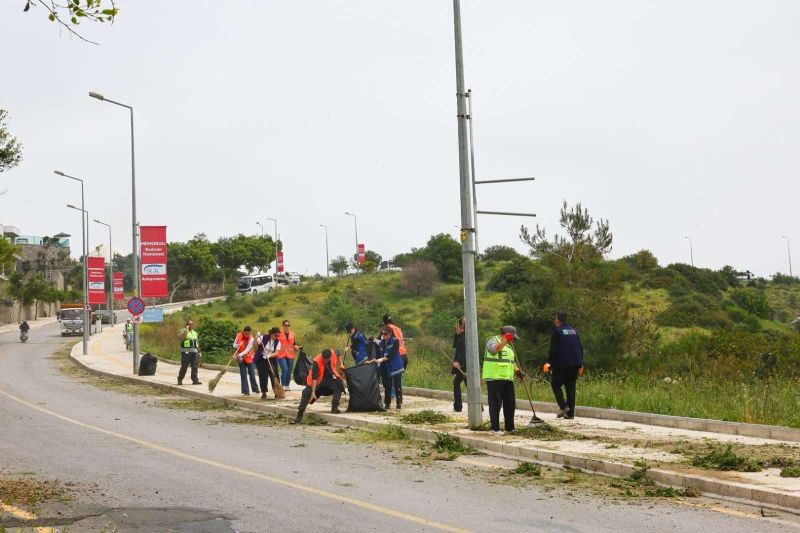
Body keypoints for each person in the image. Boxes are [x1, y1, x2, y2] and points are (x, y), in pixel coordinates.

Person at [483, 325, 523, 435]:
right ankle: (494, 428)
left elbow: (511, 361)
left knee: (510, 404)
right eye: (512, 337)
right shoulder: (492, 340)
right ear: (506, 334)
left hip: (507, 378)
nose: (513, 340)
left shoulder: (509, 347)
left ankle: (509, 428)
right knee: (495, 404)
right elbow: (493, 351)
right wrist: (505, 340)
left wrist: (517, 370)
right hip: (494, 378)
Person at [544, 312, 585, 420]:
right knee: (570, 388)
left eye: (555, 318)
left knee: (555, 384)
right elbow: (580, 347)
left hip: (561, 365)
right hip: (575, 364)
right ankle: (570, 414)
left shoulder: (557, 332)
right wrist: (581, 364)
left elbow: (553, 350)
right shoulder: (574, 331)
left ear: (557, 320)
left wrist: (549, 363)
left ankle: (563, 406)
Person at [291, 348, 345, 423]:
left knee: (339, 385)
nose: (325, 361)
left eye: (327, 360)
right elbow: (314, 378)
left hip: (329, 378)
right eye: (323, 359)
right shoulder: (316, 361)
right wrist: (313, 392)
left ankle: (334, 407)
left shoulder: (333, 353)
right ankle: (299, 415)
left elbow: (338, 353)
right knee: (306, 392)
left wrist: (341, 364)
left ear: (330, 357)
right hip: (317, 380)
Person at [365, 327, 405, 410]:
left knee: (397, 385)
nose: (383, 336)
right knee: (387, 385)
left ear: (390, 334)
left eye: (385, 334)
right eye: (382, 334)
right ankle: (387, 403)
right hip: (386, 367)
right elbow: (379, 351)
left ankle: (399, 403)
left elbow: (391, 354)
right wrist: (372, 361)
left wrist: (381, 360)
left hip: (395, 367)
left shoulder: (395, 341)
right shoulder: (382, 342)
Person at [232, 326, 259, 396]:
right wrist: (238, 345)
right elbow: (234, 345)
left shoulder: (251, 339)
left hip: (249, 357)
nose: (247, 335)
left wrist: (238, 356)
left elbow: (247, 350)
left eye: (248, 334)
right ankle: (245, 391)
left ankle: (255, 389)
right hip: (241, 359)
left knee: (252, 374)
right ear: (243, 332)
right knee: (243, 374)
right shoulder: (238, 336)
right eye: (245, 334)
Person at [255, 327, 281, 399]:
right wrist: (257, 337)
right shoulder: (263, 337)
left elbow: (277, 353)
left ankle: (277, 391)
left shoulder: (278, 342)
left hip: (271, 358)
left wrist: (269, 355)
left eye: (278, 336)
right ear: (272, 333)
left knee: (275, 375)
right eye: (276, 335)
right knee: (263, 376)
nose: (277, 337)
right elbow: (254, 343)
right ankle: (264, 393)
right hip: (261, 359)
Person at [276, 320, 300, 390]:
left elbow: (294, 344)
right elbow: (275, 343)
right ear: (283, 326)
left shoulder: (292, 334)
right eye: (286, 325)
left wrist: (298, 348)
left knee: (289, 371)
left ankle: (287, 385)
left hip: (290, 355)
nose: (287, 327)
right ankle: (283, 385)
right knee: (285, 369)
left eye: (288, 325)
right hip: (281, 355)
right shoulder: (279, 334)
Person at [177, 319, 202, 385]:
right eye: (190, 324)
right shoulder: (183, 331)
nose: (192, 325)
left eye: (192, 324)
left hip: (195, 352)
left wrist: (199, 351)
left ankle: (195, 380)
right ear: (187, 325)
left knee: (195, 366)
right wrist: (186, 330)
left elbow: (196, 343)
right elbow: (182, 338)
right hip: (186, 352)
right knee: (184, 366)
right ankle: (180, 379)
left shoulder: (195, 332)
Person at [452, 317, 467, 412]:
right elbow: (455, 345)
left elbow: (462, 351)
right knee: (467, 384)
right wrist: (457, 335)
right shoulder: (462, 335)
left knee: (458, 383)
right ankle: (479, 406)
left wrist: (458, 362)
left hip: (463, 364)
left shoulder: (463, 336)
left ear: (461, 325)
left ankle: (458, 406)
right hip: (465, 363)